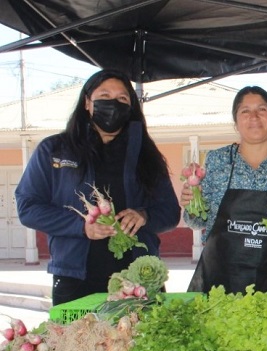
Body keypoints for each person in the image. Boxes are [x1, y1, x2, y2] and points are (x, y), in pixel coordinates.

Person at [15, 69, 181, 306]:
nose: (113, 103)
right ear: (87, 102)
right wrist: (80, 226)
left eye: (123, 99)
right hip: (75, 279)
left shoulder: (146, 155)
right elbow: (28, 207)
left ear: (131, 107)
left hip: (139, 280)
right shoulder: (54, 150)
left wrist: (144, 216)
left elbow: (170, 213)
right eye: (104, 95)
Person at [182, 85, 267, 293]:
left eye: (261, 109)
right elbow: (197, 222)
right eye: (245, 111)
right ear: (236, 122)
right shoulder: (218, 160)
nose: (254, 116)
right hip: (217, 281)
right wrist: (191, 204)